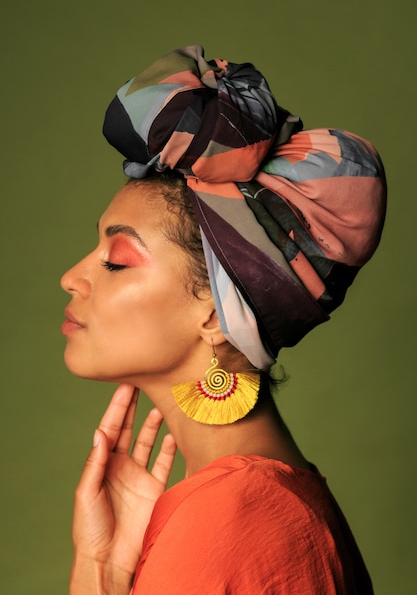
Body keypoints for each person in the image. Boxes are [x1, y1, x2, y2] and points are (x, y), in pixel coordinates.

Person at [61, 46, 386, 594]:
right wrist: (102, 570)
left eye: (116, 260)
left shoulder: (231, 519)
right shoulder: (260, 501)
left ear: (216, 313)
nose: (72, 277)